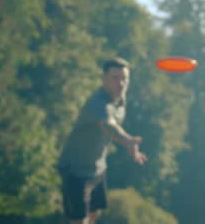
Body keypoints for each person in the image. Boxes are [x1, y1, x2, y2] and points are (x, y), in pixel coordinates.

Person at [57, 57, 147, 224]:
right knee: (79, 220)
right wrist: (127, 140)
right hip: (76, 170)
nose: (120, 84)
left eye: (124, 79)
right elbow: (107, 124)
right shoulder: (97, 102)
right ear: (103, 79)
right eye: (115, 78)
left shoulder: (120, 101)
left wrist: (129, 144)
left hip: (98, 168)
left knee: (93, 214)